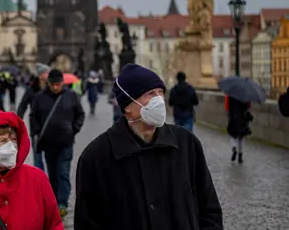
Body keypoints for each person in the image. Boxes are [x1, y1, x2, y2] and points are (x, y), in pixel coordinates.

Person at [74, 63, 223, 230]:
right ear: (127, 106)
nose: (159, 100)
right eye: (150, 94)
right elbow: (87, 222)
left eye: (161, 92)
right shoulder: (96, 156)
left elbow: (209, 209)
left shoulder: (186, 143)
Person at [31, 69, 85, 217]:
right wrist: (37, 132)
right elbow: (33, 117)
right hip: (48, 143)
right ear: (48, 83)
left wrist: (73, 129)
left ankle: (62, 203)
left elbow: (80, 114)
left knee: (63, 172)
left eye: (58, 84)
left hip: (65, 142)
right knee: (53, 173)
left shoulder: (71, 96)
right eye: (52, 84)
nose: (55, 87)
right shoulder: (40, 97)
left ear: (62, 83)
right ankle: (53, 200)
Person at [17, 63, 50, 170]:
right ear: (40, 75)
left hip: (51, 126)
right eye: (46, 73)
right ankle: (40, 179)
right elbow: (23, 105)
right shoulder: (32, 89)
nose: (48, 75)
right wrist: (18, 120)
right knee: (37, 156)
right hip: (36, 127)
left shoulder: (52, 87)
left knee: (51, 157)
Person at [225, 95, 252, 164]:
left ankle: (234, 148)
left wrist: (229, 117)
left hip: (233, 119)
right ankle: (240, 156)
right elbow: (249, 107)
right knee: (241, 138)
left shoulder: (230, 95)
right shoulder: (246, 94)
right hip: (243, 120)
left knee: (232, 136)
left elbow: (227, 108)